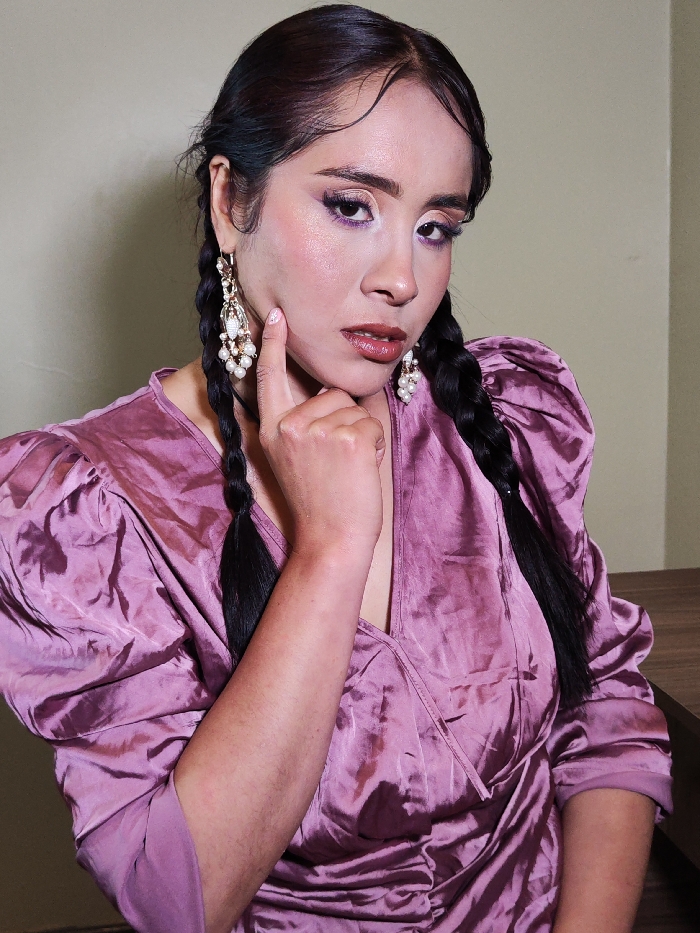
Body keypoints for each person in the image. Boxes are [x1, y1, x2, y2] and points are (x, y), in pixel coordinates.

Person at [0, 6, 672, 933]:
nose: (402, 277)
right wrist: (330, 548)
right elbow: (178, 901)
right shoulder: (89, 510)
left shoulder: (501, 420)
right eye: (351, 206)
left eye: (436, 226)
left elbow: (608, 711)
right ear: (231, 201)